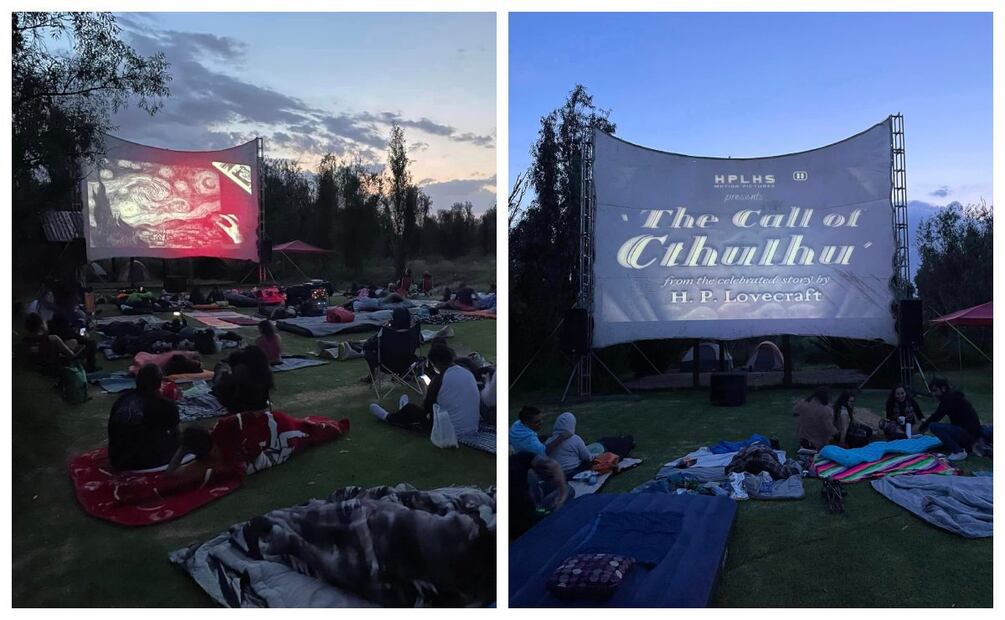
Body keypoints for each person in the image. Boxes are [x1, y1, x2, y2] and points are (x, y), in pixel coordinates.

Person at [368, 343, 480, 436]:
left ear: (436, 362)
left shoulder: (439, 379)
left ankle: (388, 417)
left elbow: (426, 409)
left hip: (449, 431)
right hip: (472, 426)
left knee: (411, 409)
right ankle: (403, 411)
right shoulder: (467, 373)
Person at [107, 363, 180, 471]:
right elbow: (176, 434)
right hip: (143, 462)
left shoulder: (122, 399)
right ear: (159, 383)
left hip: (116, 458)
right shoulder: (166, 405)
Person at [918, 377, 984, 461]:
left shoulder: (949, 399)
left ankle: (958, 451)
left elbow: (937, 416)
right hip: (970, 432)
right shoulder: (953, 397)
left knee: (933, 426)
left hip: (968, 433)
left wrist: (922, 427)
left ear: (943, 389)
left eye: (935, 391)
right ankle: (966, 446)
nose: (933, 394)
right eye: (932, 391)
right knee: (942, 444)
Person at [509, 452, 568, 540]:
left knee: (532, 476)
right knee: (569, 490)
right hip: (532, 516)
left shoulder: (518, 459)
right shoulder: (517, 459)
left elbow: (553, 466)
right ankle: (552, 517)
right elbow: (554, 465)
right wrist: (563, 492)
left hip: (525, 511)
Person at [213, 345, 275, 414]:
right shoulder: (266, 369)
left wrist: (223, 374)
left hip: (242, 405)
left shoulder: (242, 370)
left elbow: (225, 386)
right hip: (260, 404)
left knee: (220, 370)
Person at [22, 312, 90, 370]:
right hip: (55, 365)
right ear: (42, 325)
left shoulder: (27, 341)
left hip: (43, 364)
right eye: (44, 322)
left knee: (72, 341)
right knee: (74, 341)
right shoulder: (53, 338)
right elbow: (71, 355)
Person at [545, 412, 594, 477]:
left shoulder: (549, 441)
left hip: (555, 473)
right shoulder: (575, 438)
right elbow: (587, 457)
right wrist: (593, 456)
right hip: (572, 471)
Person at [794, 386, 841, 451]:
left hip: (802, 440)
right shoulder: (826, 410)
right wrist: (839, 434)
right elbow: (830, 429)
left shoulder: (802, 404)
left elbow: (795, 413)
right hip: (817, 444)